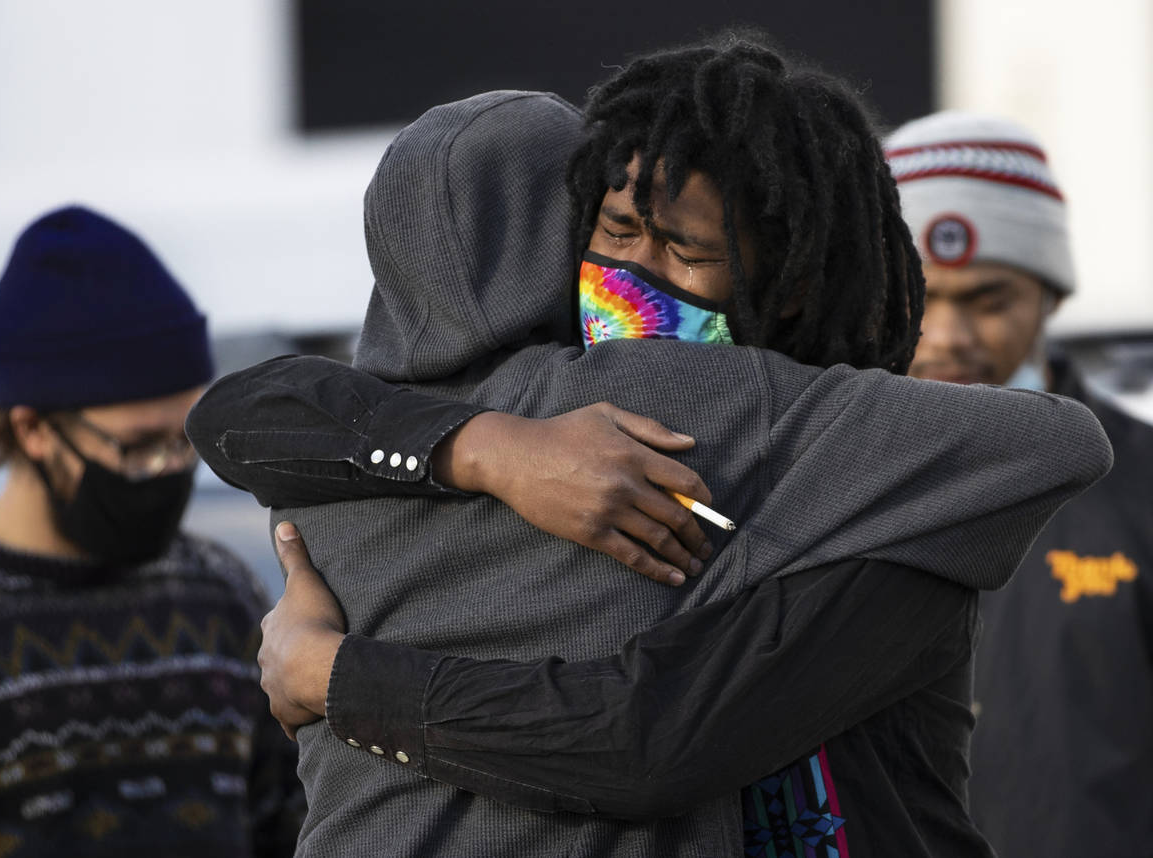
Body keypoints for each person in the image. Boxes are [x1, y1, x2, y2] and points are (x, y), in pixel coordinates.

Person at [188, 37, 1110, 857]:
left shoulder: (873, 471)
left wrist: (338, 676)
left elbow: (649, 741)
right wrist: (488, 449)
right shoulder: (541, 425)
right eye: (616, 234)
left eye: (682, 250)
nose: (631, 280)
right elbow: (239, 409)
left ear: (786, 278)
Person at [0, 206, 304, 858]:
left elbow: (292, 828)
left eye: (184, 441)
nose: (169, 470)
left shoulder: (219, 594)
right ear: (32, 429)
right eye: (141, 447)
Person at [884, 111, 1153, 857]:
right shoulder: (815, 486)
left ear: (1052, 297)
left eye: (989, 300)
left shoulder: (1143, 489)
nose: (947, 336)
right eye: (921, 296)